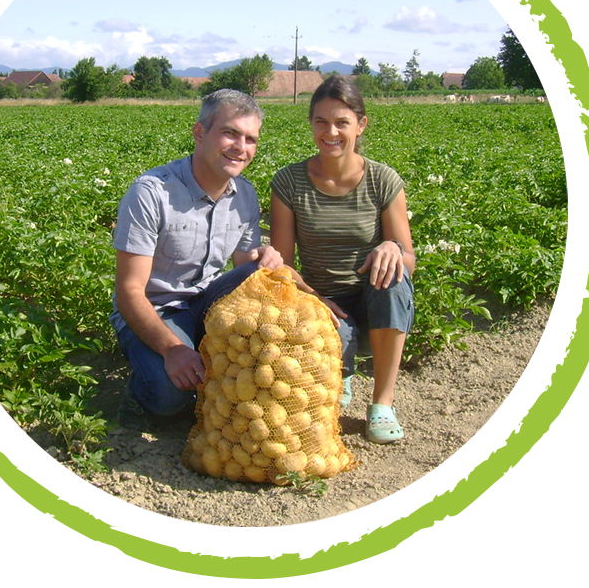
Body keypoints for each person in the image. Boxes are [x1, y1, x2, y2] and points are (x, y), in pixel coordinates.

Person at [111, 89, 282, 428]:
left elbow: (245, 266)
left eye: (250, 139)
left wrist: (266, 258)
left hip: (206, 302)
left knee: (257, 276)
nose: (241, 147)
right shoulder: (151, 193)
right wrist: (174, 350)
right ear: (200, 133)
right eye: (230, 133)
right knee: (170, 393)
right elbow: (130, 292)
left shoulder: (244, 194)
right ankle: (139, 397)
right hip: (155, 310)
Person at [270, 75, 415, 444]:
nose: (330, 131)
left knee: (394, 276)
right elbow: (283, 267)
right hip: (321, 303)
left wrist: (393, 248)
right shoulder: (289, 182)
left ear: (360, 125)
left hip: (374, 303)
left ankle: (382, 404)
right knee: (330, 365)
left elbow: (409, 257)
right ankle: (342, 371)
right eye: (321, 122)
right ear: (311, 125)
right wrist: (316, 300)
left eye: (342, 122)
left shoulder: (383, 180)